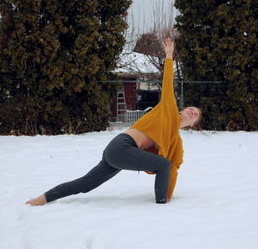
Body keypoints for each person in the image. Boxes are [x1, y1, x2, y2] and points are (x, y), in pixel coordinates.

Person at [25, 38, 201, 205]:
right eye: (191, 109)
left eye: (196, 115)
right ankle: (160, 206)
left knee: (87, 184)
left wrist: (168, 194)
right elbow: (168, 83)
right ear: (181, 110)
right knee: (162, 163)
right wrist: (169, 56)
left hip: (119, 152)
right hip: (122, 146)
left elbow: (174, 167)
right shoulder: (168, 109)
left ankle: (44, 198)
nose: (193, 112)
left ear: (193, 124)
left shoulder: (175, 141)